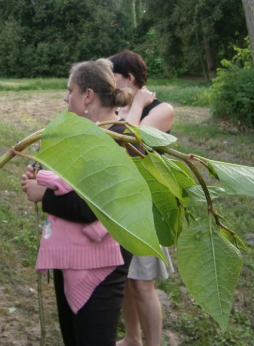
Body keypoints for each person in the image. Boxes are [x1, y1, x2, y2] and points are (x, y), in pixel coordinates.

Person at [20, 58, 138, 346]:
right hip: (71, 254)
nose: (65, 97)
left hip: (102, 264)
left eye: (70, 90)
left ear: (88, 96)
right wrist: (42, 175)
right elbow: (71, 183)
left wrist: (42, 194)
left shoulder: (123, 140)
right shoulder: (82, 136)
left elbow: (95, 206)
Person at [109, 50, 174, 346]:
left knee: (143, 285)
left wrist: (136, 106)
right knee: (124, 282)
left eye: (114, 78)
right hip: (120, 204)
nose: (110, 85)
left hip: (145, 208)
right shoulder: (120, 109)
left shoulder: (161, 110)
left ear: (129, 78)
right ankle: (132, 337)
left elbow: (131, 145)